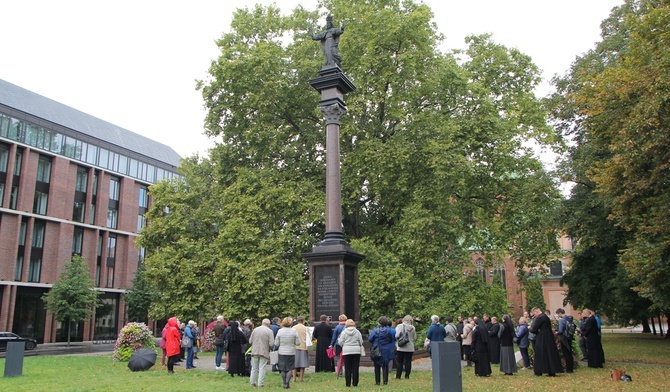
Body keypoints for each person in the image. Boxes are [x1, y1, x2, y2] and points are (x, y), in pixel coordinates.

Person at [529, 307, 562, 376]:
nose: (534, 315)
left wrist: (530, 327)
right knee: (549, 353)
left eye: (534, 314)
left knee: (540, 353)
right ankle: (551, 371)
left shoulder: (539, 318)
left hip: (542, 337)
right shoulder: (545, 317)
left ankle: (538, 371)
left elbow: (533, 329)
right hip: (549, 337)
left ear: (536, 312)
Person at [368, 316, 396, 385]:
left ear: (379, 322)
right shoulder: (389, 331)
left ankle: (377, 381)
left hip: (376, 349)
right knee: (385, 365)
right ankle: (385, 381)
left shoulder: (375, 330)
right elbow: (391, 339)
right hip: (386, 349)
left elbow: (370, 339)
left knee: (377, 365)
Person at [275, 317, 300, 389]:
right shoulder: (294, 331)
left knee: (282, 368)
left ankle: (284, 382)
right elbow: (298, 343)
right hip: (291, 352)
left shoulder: (280, 331)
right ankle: (287, 382)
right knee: (289, 368)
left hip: (282, 351)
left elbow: (276, 343)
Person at [338, 318, 363, 388]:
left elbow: (340, 342)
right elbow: (361, 341)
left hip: (347, 351)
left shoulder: (344, 332)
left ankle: (348, 384)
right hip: (356, 351)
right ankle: (355, 383)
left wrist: (344, 345)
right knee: (355, 367)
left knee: (347, 367)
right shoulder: (357, 332)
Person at [249, 318, 274, 387]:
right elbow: (271, 343)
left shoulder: (255, 330)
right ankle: (260, 383)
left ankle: (252, 382)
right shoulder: (269, 331)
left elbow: (250, 341)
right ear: (268, 324)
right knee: (262, 367)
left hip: (254, 351)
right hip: (264, 351)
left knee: (254, 367)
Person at [395, 315, 417, 379]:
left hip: (401, 346)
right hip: (410, 347)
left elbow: (396, 335)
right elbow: (415, 338)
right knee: (408, 361)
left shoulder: (400, 326)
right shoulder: (413, 328)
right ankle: (407, 375)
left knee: (400, 361)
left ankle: (398, 375)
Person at [556, 308, 575, 373]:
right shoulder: (570, 319)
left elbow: (560, 331)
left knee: (565, 353)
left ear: (560, 313)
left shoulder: (562, 320)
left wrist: (557, 332)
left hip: (564, 338)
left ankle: (568, 369)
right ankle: (571, 367)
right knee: (569, 352)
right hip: (569, 337)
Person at [291, 316, 309, 383]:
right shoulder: (305, 328)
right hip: (303, 347)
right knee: (302, 364)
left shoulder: (293, 328)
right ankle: (301, 379)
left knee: (295, 364)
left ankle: (294, 378)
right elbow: (309, 337)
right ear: (303, 321)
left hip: (295, 347)